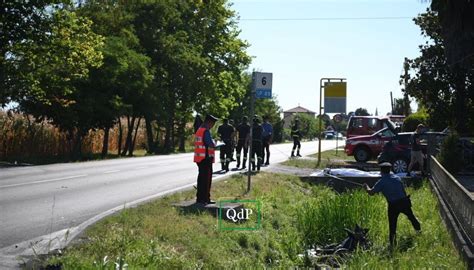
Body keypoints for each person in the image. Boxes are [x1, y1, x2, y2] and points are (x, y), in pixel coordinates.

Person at [365, 162, 421, 246]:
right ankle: (419, 231)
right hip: (404, 201)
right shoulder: (397, 178)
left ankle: (393, 244)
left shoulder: (381, 182)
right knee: (411, 217)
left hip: (393, 205)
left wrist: (366, 187)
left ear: (381, 171)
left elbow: (371, 193)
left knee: (392, 224)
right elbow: (403, 190)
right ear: (390, 170)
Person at [194, 114, 218, 205]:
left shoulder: (199, 129)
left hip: (200, 158)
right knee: (206, 180)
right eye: (213, 124)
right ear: (209, 122)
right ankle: (205, 199)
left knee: (201, 179)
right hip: (205, 158)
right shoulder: (206, 131)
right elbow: (210, 144)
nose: (213, 126)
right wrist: (216, 143)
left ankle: (199, 198)